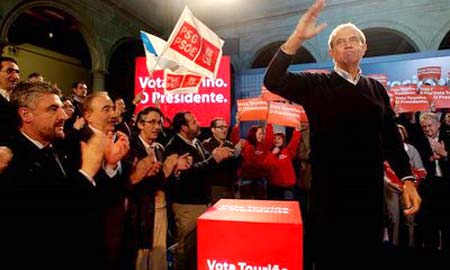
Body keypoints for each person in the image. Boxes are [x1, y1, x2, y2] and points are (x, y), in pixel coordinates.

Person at [263, 0, 421, 269]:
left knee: (367, 257)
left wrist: (407, 180)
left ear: (364, 47)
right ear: (332, 51)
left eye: (353, 40)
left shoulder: (376, 89)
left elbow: (392, 140)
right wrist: (297, 37)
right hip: (330, 198)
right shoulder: (316, 84)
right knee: (331, 258)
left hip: (370, 196)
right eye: (340, 41)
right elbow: (274, 80)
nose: (348, 44)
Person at [2, 81, 106, 270]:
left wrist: (111, 164)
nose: (64, 115)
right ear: (26, 114)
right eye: (53, 109)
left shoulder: (61, 145)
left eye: (62, 108)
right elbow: (49, 219)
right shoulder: (9, 158)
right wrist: (87, 172)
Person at [165, 111, 233, 270]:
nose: (198, 123)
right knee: (186, 247)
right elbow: (188, 174)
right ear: (184, 127)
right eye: (194, 122)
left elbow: (207, 165)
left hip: (202, 201)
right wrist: (214, 158)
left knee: (197, 246)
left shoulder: (196, 142)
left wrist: (217, 156)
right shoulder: (175, 145)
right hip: (187, 205)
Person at [203, 117, 241, 203]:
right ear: (213, 130)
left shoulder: (229, 144)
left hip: (230, 187)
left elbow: (235, 166)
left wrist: (238, 154)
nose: (224, 130)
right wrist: (215, 156)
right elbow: (206, 167)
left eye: (226, 127)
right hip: (215, 188)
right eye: (221, 127)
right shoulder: (207, 145)